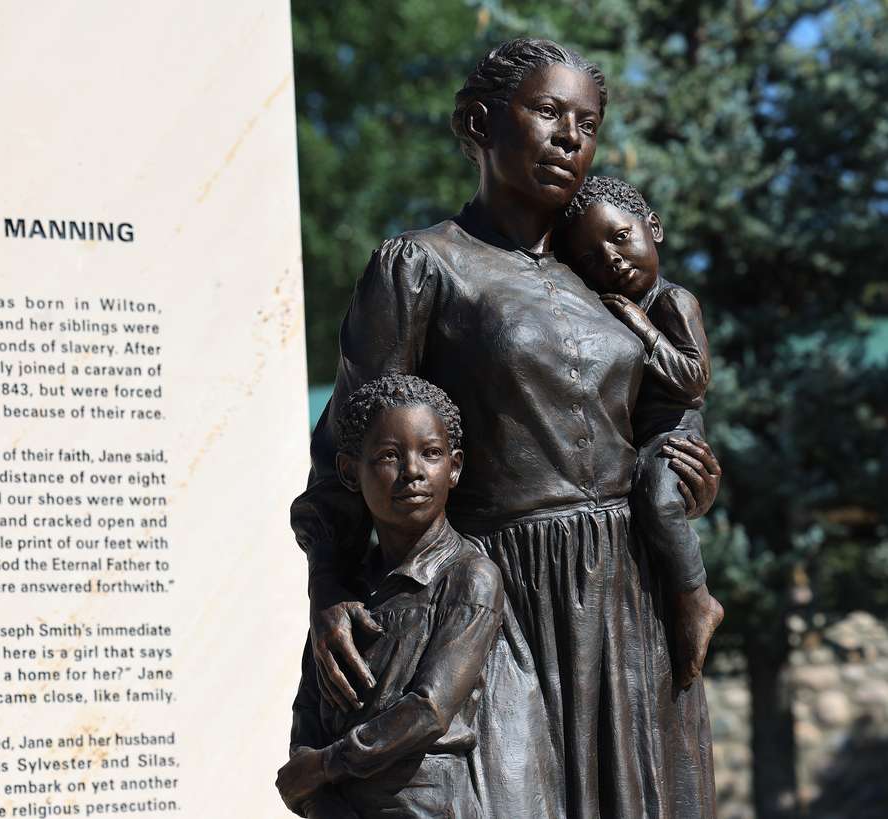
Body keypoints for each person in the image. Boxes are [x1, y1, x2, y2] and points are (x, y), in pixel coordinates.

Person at [290, 38, 722, 818]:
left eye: (586, 124)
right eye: (548, 112)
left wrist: (683, 464)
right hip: (502, 602)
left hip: (629, 597)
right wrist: (329, 589)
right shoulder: (422, 265)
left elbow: (663, 409)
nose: (570, 138)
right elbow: (348, 454)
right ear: (478, 123)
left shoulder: (607, 269)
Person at [276, 374, 503, 819]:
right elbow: (307, 714)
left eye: (431, 453)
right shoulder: (344, 596)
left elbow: (430, 709)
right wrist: (316, 795)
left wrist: (324, 766)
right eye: (388, 456)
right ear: (349, 472)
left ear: (455, 467)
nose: (413, 471)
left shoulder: (470, 577)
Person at [556, 175, 726, 689]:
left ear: (653, 227)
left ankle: (696, 597)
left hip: (673, 432)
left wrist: (641, 326)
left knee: (658, 495)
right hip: (637, 439)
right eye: (590, 257)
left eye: (620, 236)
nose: (611, 258)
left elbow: (694, 381)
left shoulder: (673, 303)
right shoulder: (609, 310)